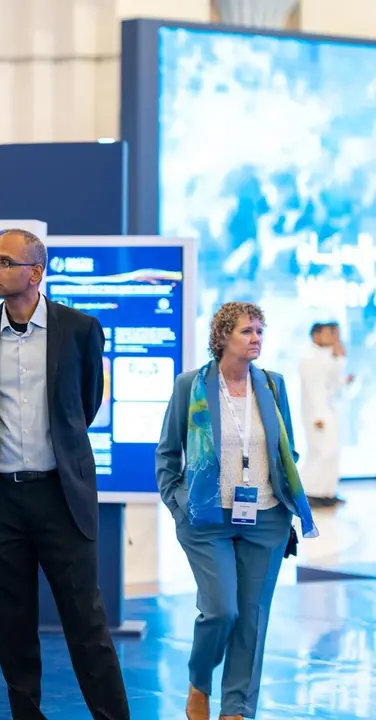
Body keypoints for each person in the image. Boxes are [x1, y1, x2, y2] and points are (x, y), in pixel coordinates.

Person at [0, 229, 129, 720]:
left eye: (3, 262)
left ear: (35, 272)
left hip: (60, 496)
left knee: (86, 624)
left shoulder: (79, 329)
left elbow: (85, 406)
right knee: (11, 627)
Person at [155, 301, 318, 720]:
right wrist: (178, 503)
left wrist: (284, 501)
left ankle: (236, 709)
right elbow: (168, 453)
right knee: (221, 610)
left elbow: (287, 450)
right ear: (222, 337)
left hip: (266, 517)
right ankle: (199, 682)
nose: (256, 339)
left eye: (260, 331)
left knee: (252, 619)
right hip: (207, 519)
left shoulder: (273, 385)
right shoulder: (191, 385)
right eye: (247, 331)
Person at [299, 321, 353, 507]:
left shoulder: (325, 355)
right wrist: (318, 416)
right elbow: (314, 390)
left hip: (329, 411)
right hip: (318, 413)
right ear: (317, 335)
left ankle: (327, 492)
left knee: (332, 452)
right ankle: (309, 491)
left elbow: (333, 383)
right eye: (331, 333)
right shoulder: (310, 357)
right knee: (321, 452)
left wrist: (339, 360)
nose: (335, 338)